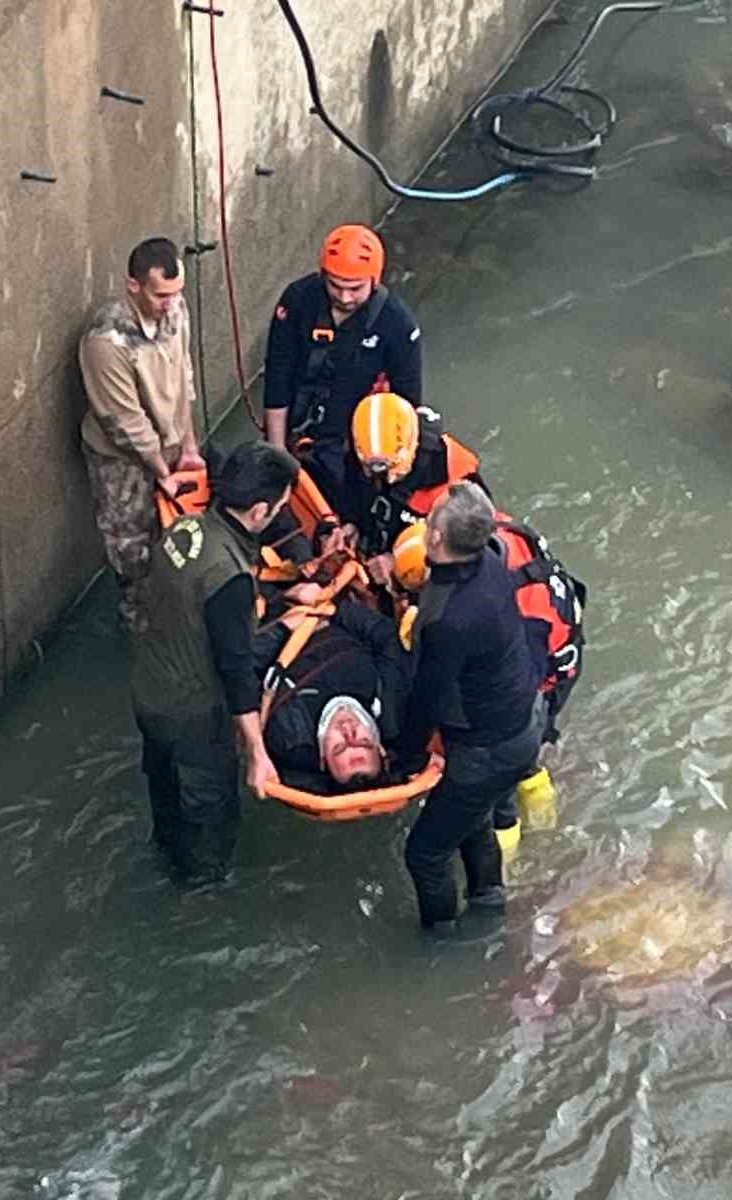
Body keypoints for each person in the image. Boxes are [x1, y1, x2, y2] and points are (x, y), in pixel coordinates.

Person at [130, 442, 300, 884]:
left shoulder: (184, 530)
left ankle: (165, 853)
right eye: (281, 506)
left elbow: (190, 602)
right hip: (194, 716)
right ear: (260, 511)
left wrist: (278, 600)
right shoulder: (230, 578)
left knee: (166, 797)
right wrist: (257, 753)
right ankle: (202, 889)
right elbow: (236, 669)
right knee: (212, 817)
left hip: (150, 691)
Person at [393, 481, 543, 928]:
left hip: (487, 748)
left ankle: (440, 936)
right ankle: (488, 901)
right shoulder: (490, 562)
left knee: (424, 854)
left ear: (436, 539)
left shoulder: (451, 620)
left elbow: (428, 696)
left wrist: (407, 756)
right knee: (473, 820)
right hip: (520, 722)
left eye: (430, 516)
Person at [79, 237, 207, 633]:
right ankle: (139, 624)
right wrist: (160, 471)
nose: (170, 303)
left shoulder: (175, 309)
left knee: (181, 534)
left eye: (176, 293)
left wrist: (189, 447)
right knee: (131, 544)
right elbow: (125, 422)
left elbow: (183, 375)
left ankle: (177, 611)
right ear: (133, 285)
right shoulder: (107, 341)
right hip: (122, 460)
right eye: (160, 295)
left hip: (169, 443)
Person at [263, 224, 423, 511]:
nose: (345, 297)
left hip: (353, 444)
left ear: (374, 280)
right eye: (335, 286)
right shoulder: (299, 301)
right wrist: (276, 453)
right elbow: (277, 377)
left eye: (355, 289)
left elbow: (406, 405)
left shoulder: (397, 324)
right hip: (298, 426)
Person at [254, 590, 413, 789]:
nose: (348, 732)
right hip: (336, 604)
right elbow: (388, 637)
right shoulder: (392, 707)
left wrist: (283, 628)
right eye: (363, 742)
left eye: (339, 747)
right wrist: (334, 607)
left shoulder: (289, 735)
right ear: (380, 747)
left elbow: (245, 670)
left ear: (322, 758)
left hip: (272, 616)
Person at [337, 393, 485, 585]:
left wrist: (400, 562)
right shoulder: (362, 451)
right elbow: (353, 490)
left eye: (389, 469)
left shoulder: (455, 479)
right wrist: (351, 523)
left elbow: (468, 552)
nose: (385, 477)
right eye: (371, 468)